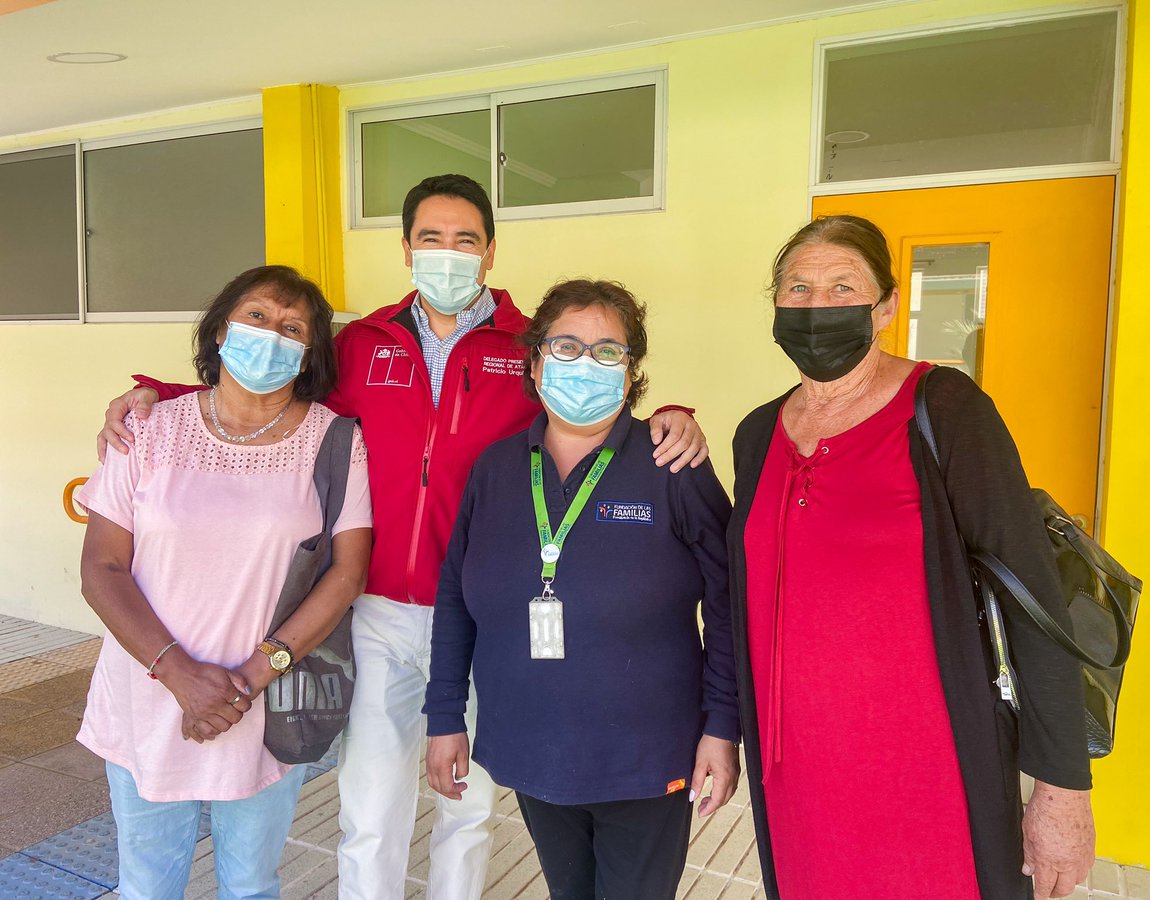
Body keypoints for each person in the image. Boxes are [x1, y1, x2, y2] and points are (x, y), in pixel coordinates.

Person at [96, 174, 710, 900]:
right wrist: (159, 395)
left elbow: (587, 407)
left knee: (469, 807)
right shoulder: (363, 344)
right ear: (407, 248)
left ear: (489, 252)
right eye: (431, 238)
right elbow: (272, 391)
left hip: (486, 616)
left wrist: (670, 412)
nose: (448, 252)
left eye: (465, 239)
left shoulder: (528, 346)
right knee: (370, 807)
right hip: (377, 608)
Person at [727, 215, 1095, 900]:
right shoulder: (756, 435)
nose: (817, 305)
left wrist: (1062, 786)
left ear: (888, 306)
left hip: (928, 769)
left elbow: (1034, 599)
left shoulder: (945, 409)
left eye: (843, 287)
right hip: (797, 771)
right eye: (798, 288)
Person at [424, 279, 740, 900]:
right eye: (566, 346)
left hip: (646, 754)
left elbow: (730, 602)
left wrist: (722, 726)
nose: (585, 363)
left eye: (607, 351)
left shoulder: (673, 464)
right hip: (531, 746)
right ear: (535, 362)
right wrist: (444, 718)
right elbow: (456, 598)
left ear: (631, 372)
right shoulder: (496, 469)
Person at [77, 266, 372, 900]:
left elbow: (348, 573)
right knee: (147, 886)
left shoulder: (336, 442)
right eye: (257, 316)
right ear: (220, 330)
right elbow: (101, 568)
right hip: (148, 694)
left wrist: (251, 679)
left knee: (250, 885)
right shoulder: (146, 429)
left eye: (293, 328)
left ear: (310, 353)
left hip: (262, 703)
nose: (271, 335)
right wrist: (179, 673)